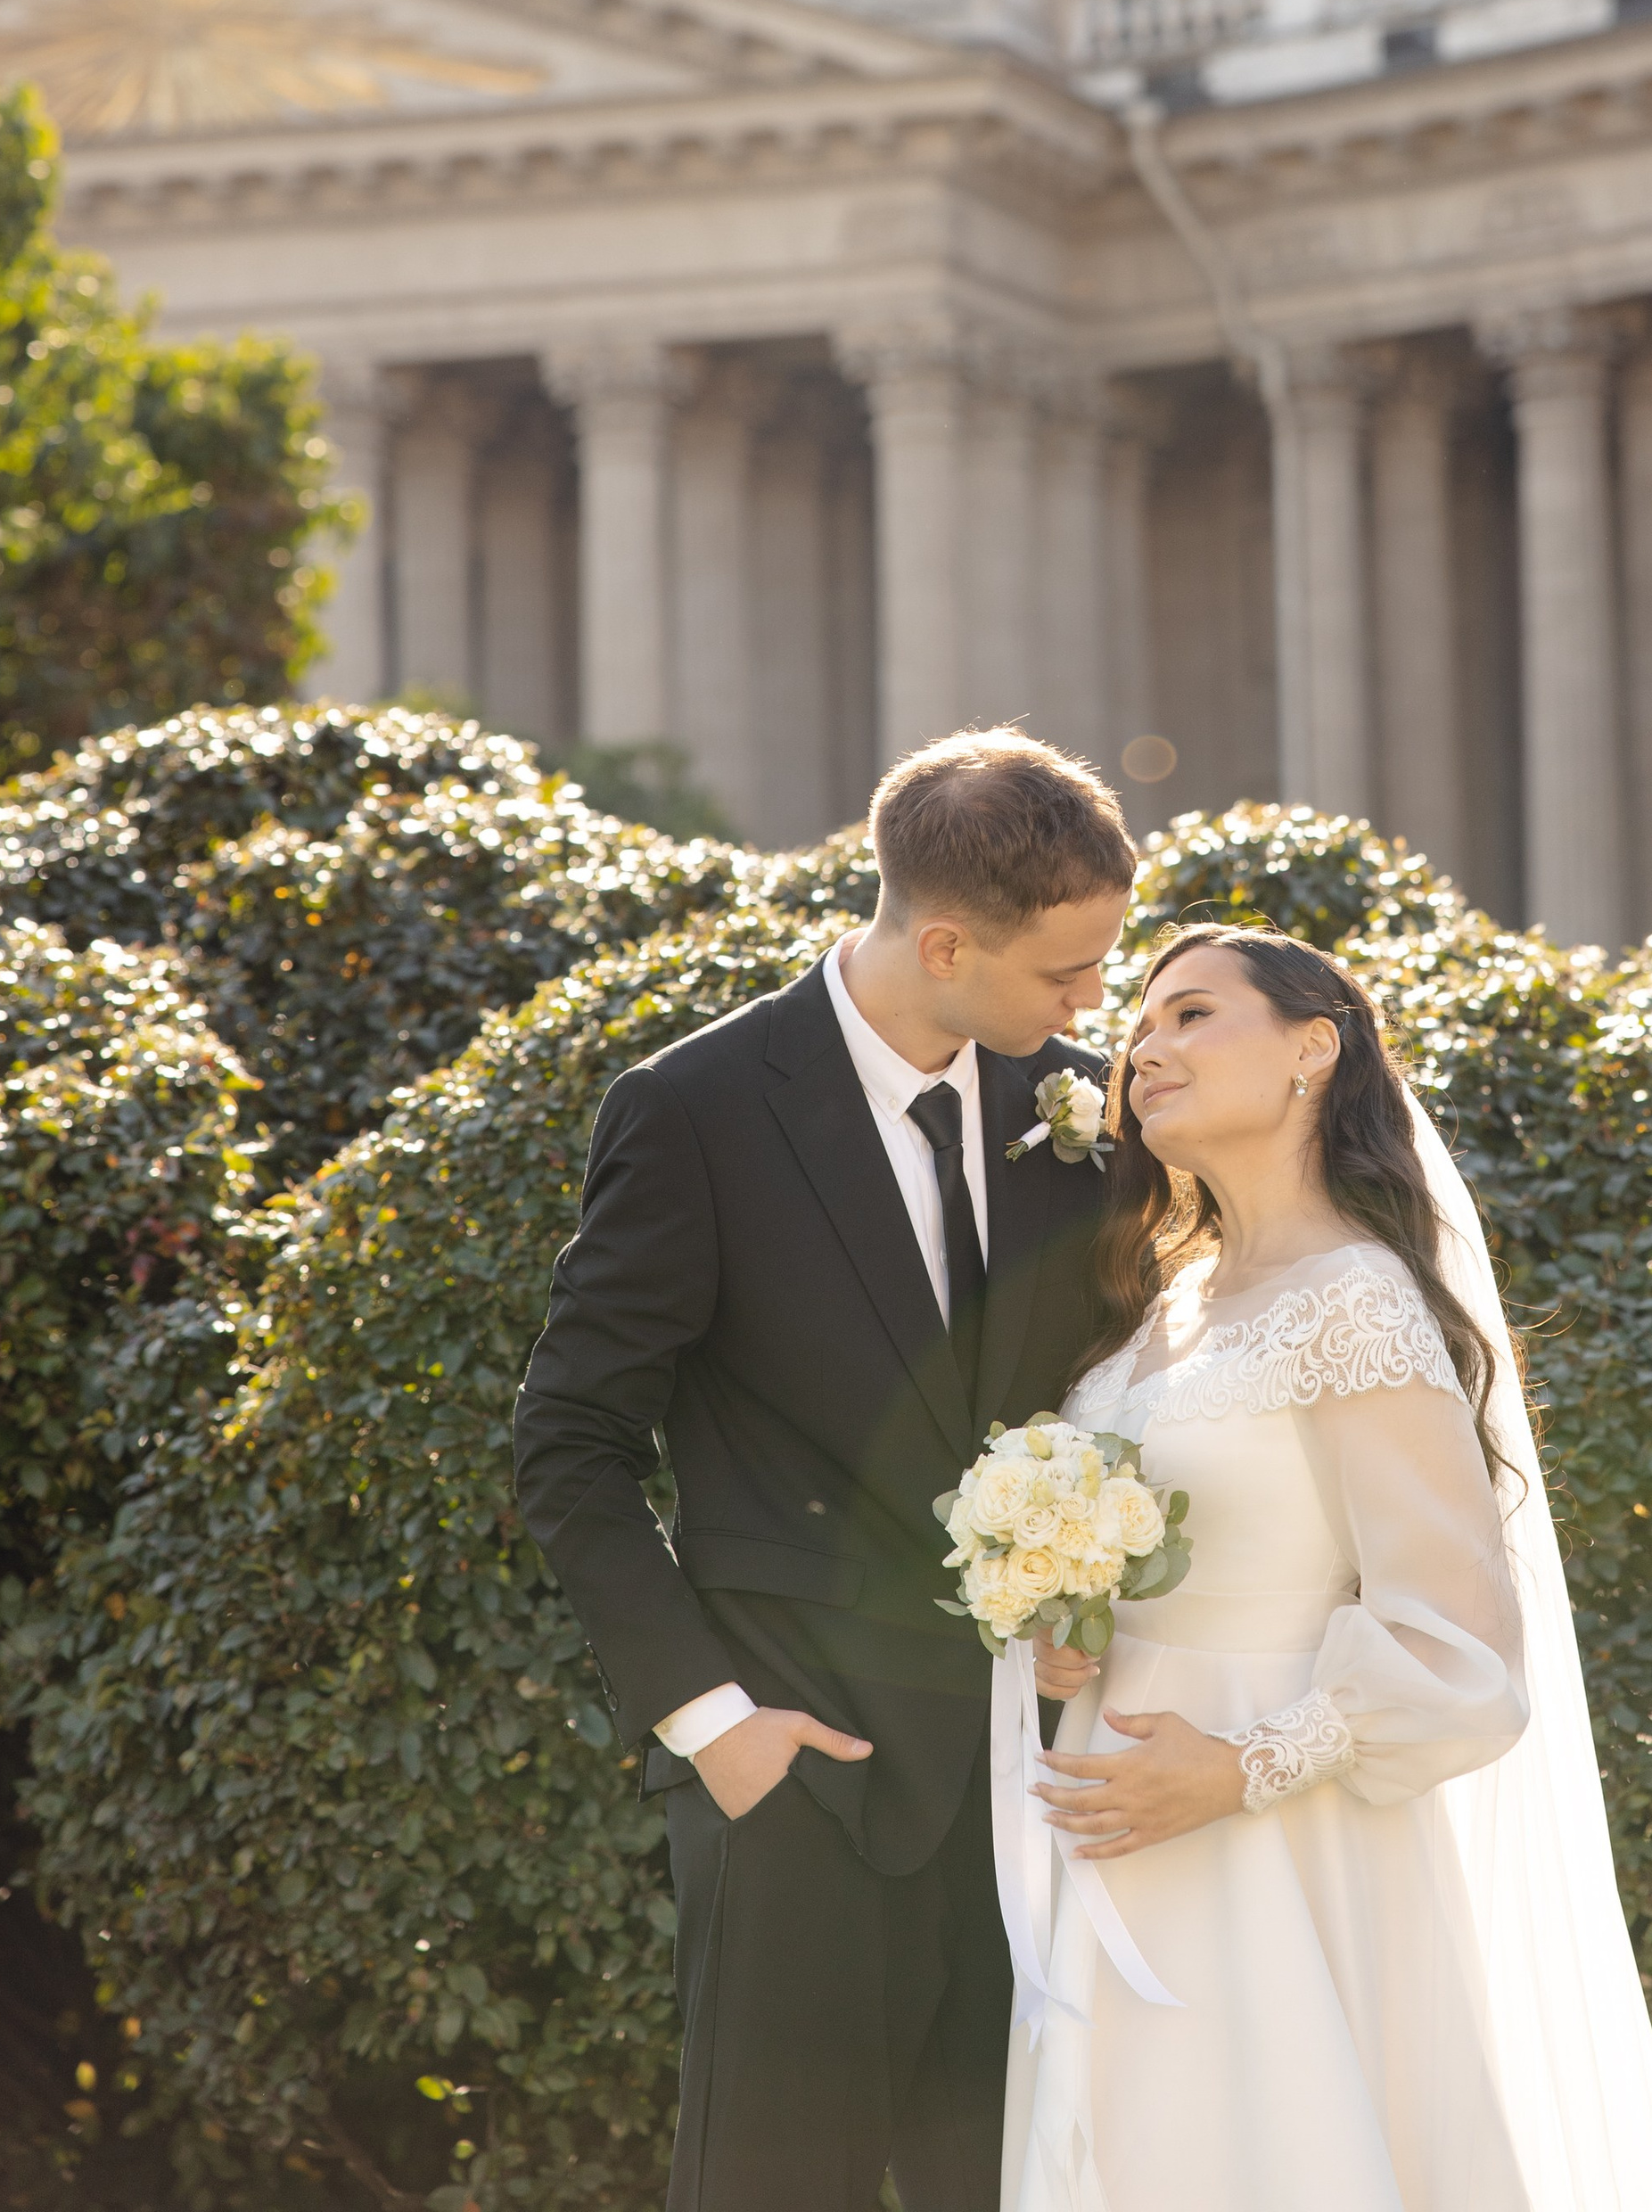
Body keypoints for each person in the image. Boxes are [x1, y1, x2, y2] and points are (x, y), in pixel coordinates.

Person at [512, 728, 1137, 2212]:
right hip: (799, 1787)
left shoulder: (1084, 1112)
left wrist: (1094, 1619)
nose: (1094, 1004)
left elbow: (1112, 1400)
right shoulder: (695, 1110)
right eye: (1065, 973)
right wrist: (714, 1722)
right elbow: (571, 1442)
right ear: (941, 942)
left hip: (1034, 1800)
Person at [1006, 926, 1652, 2212]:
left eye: (1193, 1013)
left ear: (1312, 1048)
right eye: (1140, 1024)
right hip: (1114, 1827)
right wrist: (1069, 1624)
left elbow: (1460, 1646)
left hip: (1285, 1843)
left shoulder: (1356, 1301)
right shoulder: (1168, 1303)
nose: (1143, 1046)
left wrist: (1240, 1767)